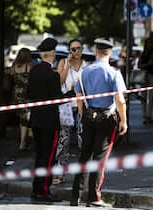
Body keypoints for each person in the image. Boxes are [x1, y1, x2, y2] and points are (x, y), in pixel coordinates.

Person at [70, 38, 127, 207]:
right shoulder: (114, 73)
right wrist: (124, 121)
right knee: (99, 158)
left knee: (84, 156)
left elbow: (79, 98)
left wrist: (82, 115)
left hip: (88, 116)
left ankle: (76, 196)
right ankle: (94, 197)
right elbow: (120, 100)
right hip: (106, 118)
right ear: (109, 54)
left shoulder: (84, 72)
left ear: (96, 52)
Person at [27, 38, 65, 202]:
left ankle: (37, 189)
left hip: (36, 120)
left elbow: (29, 95)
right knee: (48, 157)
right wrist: (71, 94)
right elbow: (57, 98)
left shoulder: (34, 71)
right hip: (49, 122)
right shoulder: (52, 75)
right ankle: (43, 190)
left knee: (39, 156)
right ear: (53, 54)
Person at [53, 39, 87, 185]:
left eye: (79, 48)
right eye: (73, 49)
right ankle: (59, 173)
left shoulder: (87, 65)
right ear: (69, 51)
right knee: (64, 140)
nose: (76, 52)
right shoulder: (63, 62)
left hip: (82, 106)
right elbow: (59, 82)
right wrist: (67, 64)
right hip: (66, 107)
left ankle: (83, 175)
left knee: (83, 140)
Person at [7, 48, 34, 150]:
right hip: (28, 95)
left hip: (17, 95)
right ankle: (24, 141)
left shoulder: (14, 67)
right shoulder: (30, 66)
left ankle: (23, 141)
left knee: (22, 120)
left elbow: (8, 73)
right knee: (27, 119)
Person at [138, 38, 153, 124]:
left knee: (151, 96)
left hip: (152, 75)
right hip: (144, 76)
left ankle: (149, 115)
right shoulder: (143, 54)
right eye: (148, 44)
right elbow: (139, 65)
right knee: (143, 96)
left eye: (151, 43)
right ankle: (144, 115)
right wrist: (147, 64)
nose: (149, 45)